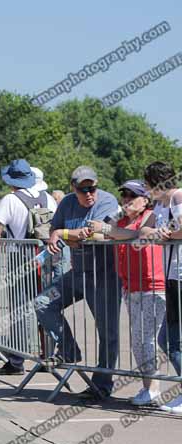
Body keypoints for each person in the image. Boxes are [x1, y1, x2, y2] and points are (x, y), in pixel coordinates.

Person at [34, 165, 120, 400]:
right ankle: (69, 350)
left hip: (104, 276)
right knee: (42, 302)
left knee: (107, 331)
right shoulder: (67, 202)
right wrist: (61, 233)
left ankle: (102, 384)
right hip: (77, 273)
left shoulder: (107, 201)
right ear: (73, 188)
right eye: (83, 190)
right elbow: (55, 229)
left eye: (92, 188)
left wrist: (64, 234)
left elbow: (100, 234)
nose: (89, 193)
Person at [87, 180, 165, 407]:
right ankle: (150, 387)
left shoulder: (151, 216)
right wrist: (91, 232)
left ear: (145, 199)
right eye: (124, 195)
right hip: (131, 286)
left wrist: (109, 230)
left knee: (148, 341)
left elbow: (137, 233)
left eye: (133, 195)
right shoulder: (120, 220)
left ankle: (153, 388)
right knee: (140, 341)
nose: (127, 199)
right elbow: (106, 233)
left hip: (153, 285)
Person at [0, 161, 58, 375]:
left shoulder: (11, 199)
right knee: (46, 307)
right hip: (46, 257)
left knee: (19, 310)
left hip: (20, 257)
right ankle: (48, 356)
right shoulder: (48, 198)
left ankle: (16, 361)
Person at [141, 161, 182, 413]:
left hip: (180, 272)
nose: (146, 191)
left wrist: (163, 233)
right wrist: (159, 231)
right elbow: (146, 228)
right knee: (169, 338)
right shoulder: (161, 203)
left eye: (148, 185)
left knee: (171, 340)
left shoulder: (178, 196)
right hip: (172, 274)